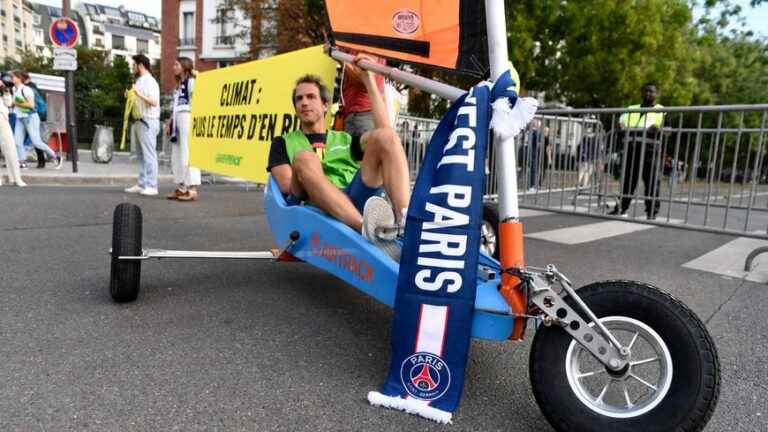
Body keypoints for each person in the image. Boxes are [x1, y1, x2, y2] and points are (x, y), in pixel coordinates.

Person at [267, 56, 410, 259]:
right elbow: (286, 187)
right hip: (313, 207)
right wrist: (311, 172)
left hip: (354, 197)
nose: (304, 103)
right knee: (305, 158)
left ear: (326, 105)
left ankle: (405, 221)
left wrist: (368, 80)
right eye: (299, 99)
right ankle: (366, 230)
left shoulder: (345, 139)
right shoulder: (283, 142)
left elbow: (387, 136)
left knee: (386, 136)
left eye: (310, 97)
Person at [609, 82, 665, 219]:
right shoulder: (631, 108)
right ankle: (621, 208)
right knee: (628, 181)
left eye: (652, 91)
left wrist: (659, 129)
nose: (648, 94)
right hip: (632, 148)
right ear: (641, 92)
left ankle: (652, 213)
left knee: (651, 182)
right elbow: (621, 122)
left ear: (657, 94)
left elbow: (667, 129)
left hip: (650, 150)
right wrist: (620, 125)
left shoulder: (661, 110)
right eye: (646, 91)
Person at [124, 54, 161, 196]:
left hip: (148, 121)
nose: (132, 68)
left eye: (133, 65)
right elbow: (138, 99)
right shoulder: (140, 81)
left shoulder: (150, 81)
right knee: (141, 155)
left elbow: (153, 102)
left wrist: (138, 94)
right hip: (140, 121)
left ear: (140, 66)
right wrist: (130, 95)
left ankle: (152, 185)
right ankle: (142, 183)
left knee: (149, 155)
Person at [165, 57, 201, 201]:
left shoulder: (192, 82)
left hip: (187, 117)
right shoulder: (179, 85)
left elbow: (197, 100)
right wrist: (170, 122)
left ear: (184, 67)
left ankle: (192, 188)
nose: (174, 67)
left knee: (188, 151)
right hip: (177, 118)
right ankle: (181, 187)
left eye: (176, 64)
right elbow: (174, 107)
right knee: (177, 154)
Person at [10, 70, 61, 170]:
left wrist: (17, 103)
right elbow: (13, 103)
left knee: (36, 142)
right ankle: (22, 162)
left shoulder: (26, 90)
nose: (12, 78)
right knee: (17, 142)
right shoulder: (13, 89)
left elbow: (31, 105)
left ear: (19, 78)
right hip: (20, 118)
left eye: (14, 77)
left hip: (31, 118)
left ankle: (56, 157)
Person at [0, 76, 25, 186]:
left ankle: (16, 178)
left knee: (10, 147)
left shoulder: (3, 86)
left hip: (2, 118)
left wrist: (5, 90)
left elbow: (9, 103)